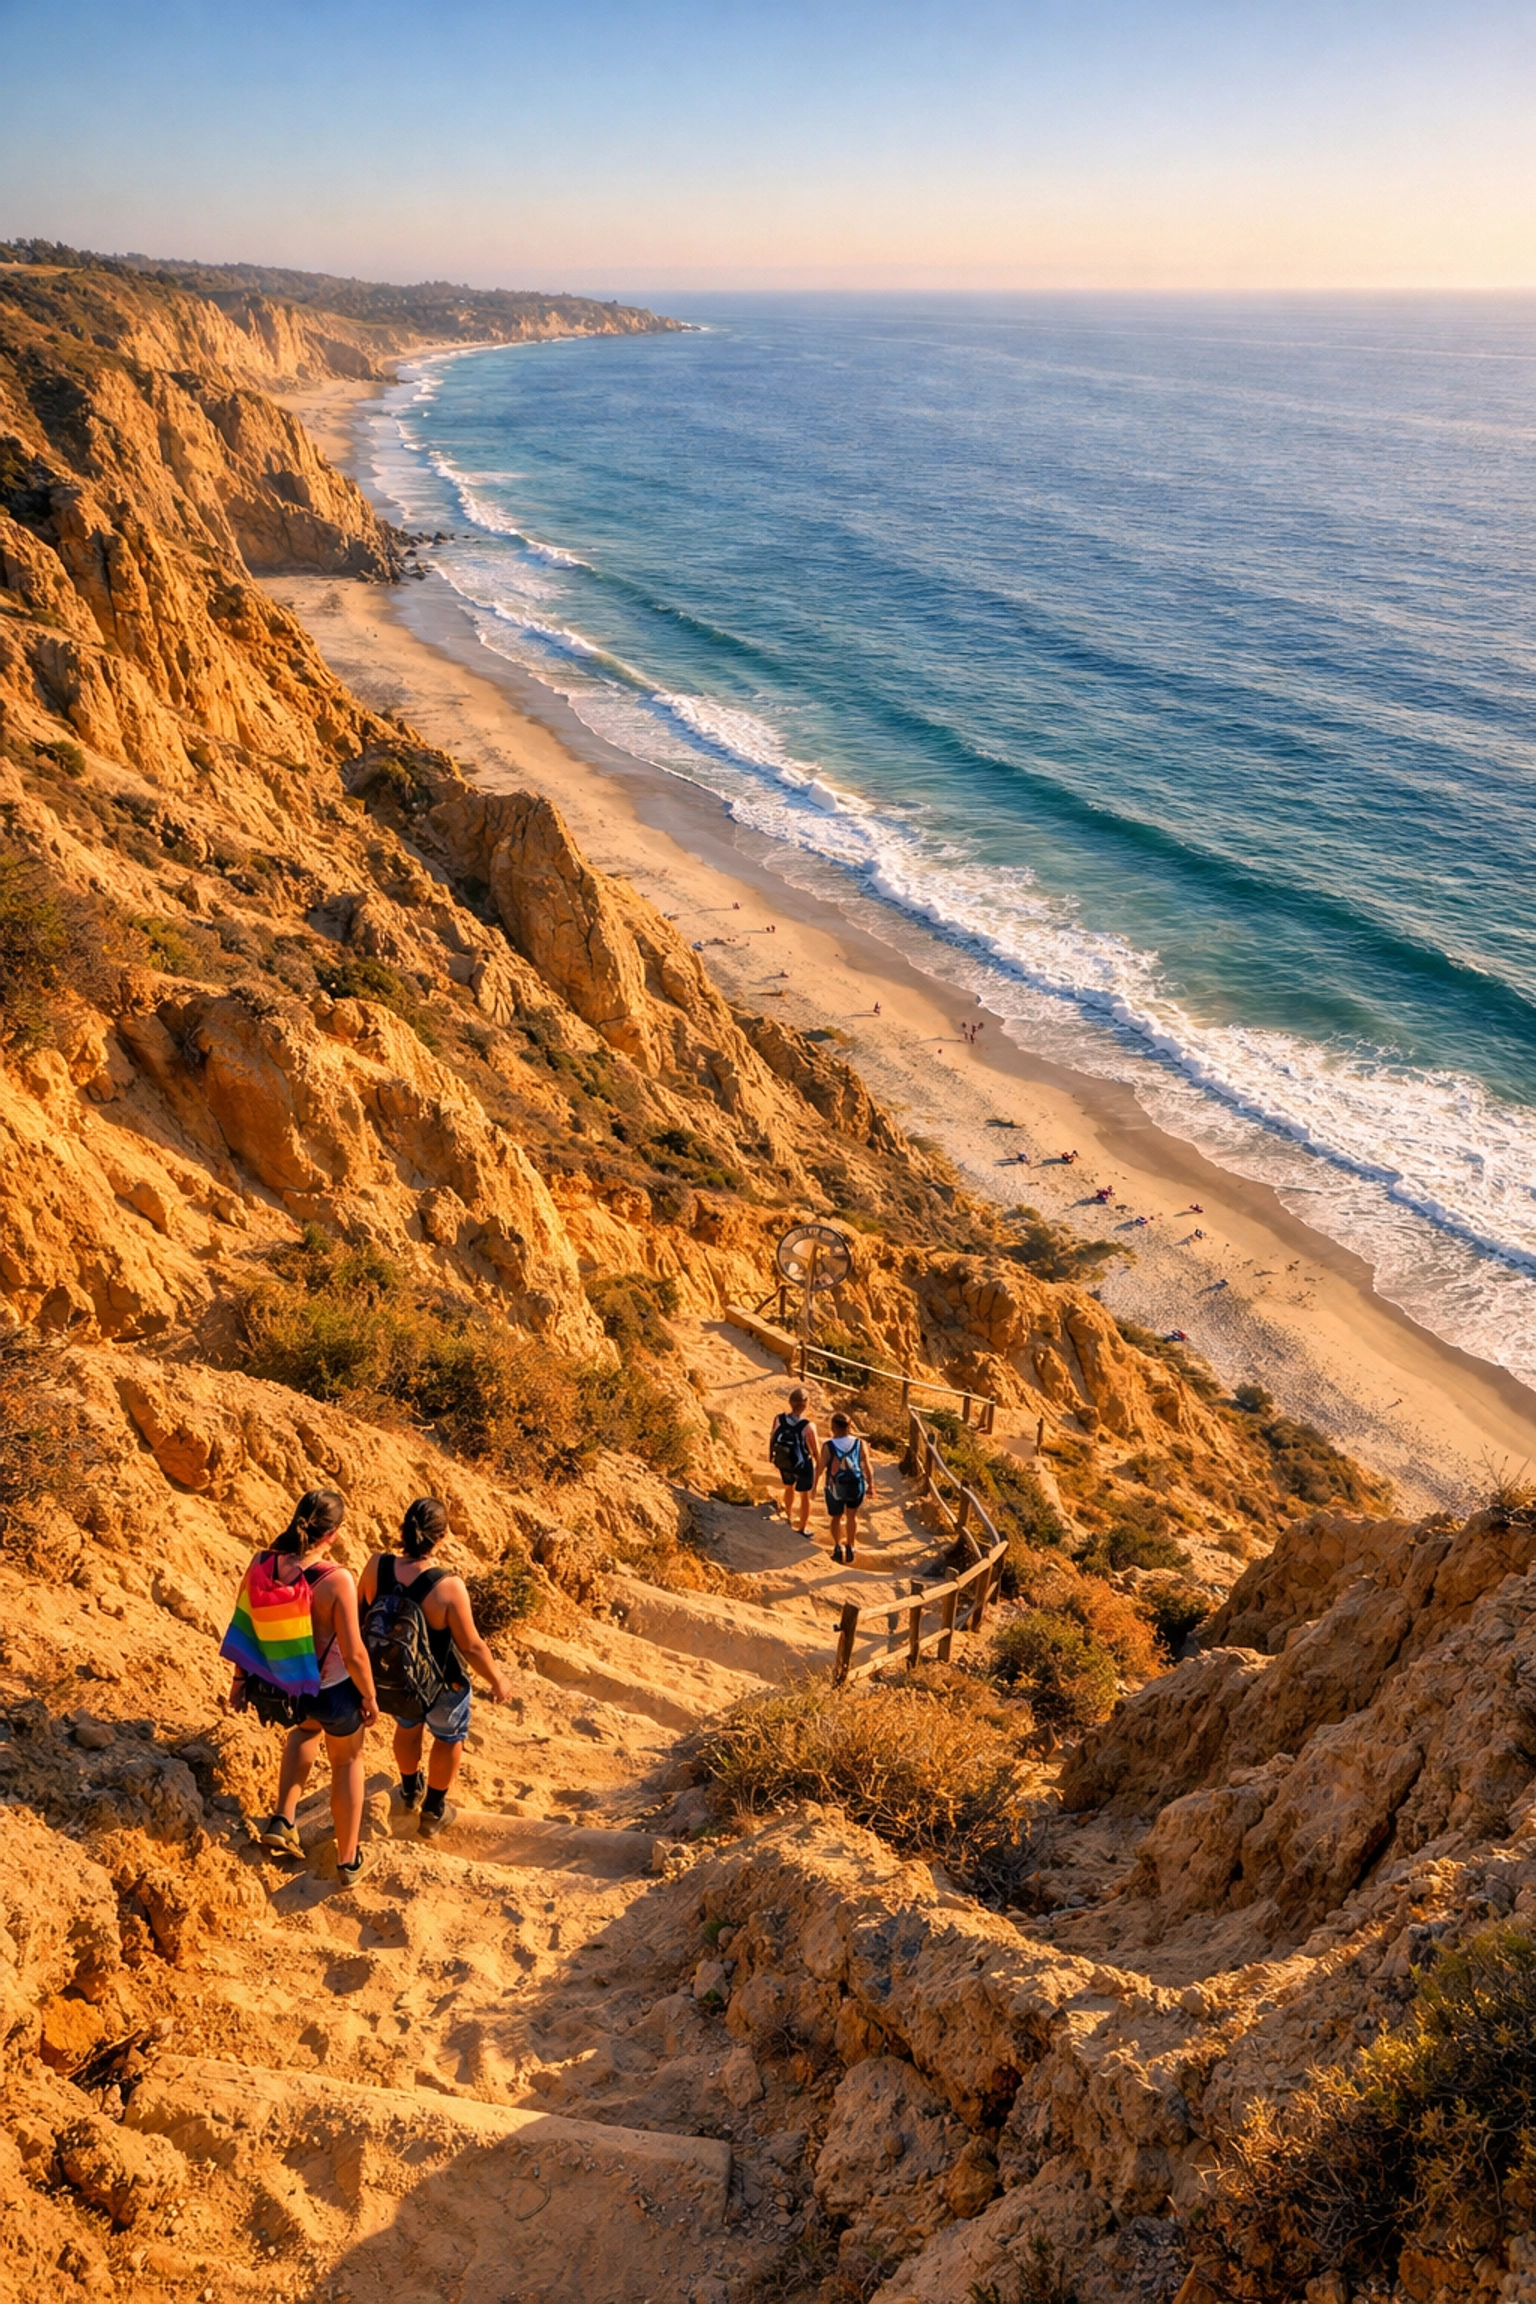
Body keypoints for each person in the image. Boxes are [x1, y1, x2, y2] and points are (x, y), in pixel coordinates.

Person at [223, 1489, 379, 1887]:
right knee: (347, 1762)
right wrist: (369, 1696)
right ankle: (348, 1860)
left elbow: (246, 1624)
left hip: (285, 1686)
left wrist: (240, 1681)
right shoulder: (335, 1579)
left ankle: (283, 1818)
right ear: (335, 1534)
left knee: (304, 1731)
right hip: (333, 1692)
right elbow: (355, 1653)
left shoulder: (263, 1562)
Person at [358, 1498, 515, 1839]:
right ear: (442, 1536)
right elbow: (471, 1646)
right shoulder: (448, 1586)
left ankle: (410, 1789)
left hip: (397, 1679)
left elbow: (361, 1614)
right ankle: (433, 1811)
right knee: (447, 1738)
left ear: (403, 1528)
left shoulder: (375, 1566)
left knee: (408, 1728)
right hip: (442, 1684)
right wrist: (497, 1679)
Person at [821, 1411, 874, 1564]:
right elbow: (866, 1464)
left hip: (834, 1485)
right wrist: (871, 1484)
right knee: (852, 1515)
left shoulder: (828, 1445)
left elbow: (821, 1466)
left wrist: (813, 1486)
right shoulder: (860, 1443)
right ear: (850, 1426)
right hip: (855, 1483)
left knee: (836, 1517)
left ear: (833, 1427)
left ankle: (837, 1547)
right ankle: (851, 1546)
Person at [768, 1388, 820, 1533]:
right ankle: (802, 1527)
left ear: (790, 1403)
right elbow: (815, 1449)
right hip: (802, 1463)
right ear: (805, 1404)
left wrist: (771, 1457)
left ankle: (788, 1516)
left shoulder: (779, 1419)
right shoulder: (808, 1425)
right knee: (804, 1496)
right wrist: (819, 1466)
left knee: (788, 1487)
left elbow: (772, 1437)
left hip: (784, 1460)